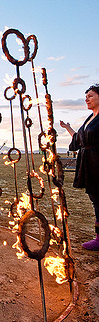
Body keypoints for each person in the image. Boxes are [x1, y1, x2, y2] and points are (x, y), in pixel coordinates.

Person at [60, 84, 99, 251]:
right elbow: (79, 139)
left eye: (90, 95)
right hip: (89, 163)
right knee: (96, 199)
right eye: (86, 96)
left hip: (98, 161)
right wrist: (67, 127)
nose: (87, 99)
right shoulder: (90, 118)